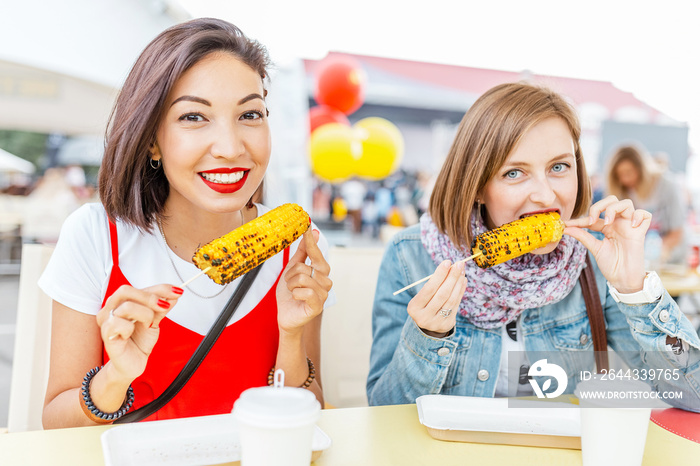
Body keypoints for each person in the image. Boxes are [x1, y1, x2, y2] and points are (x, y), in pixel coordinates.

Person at [39, 18, 334, 428]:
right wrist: (115, 377)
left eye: (250, 114)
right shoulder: (95, 236)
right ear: (152, 140)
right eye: (194, 117)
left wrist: (291, 334)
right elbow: (55, 425)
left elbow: (310, 413)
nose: (231, 148)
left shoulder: (297, 248)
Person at [366, 82, 700, 411]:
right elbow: (382, 412)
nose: (545, 195)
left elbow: (693, 395)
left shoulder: (592, 261)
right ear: (477, 186)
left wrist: (635, 289)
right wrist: (427, 336)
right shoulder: (410, 255)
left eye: (559, 167)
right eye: (514, 173)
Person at [605, 144, 687, 265]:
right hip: (640, 261)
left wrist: (655, 253)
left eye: (628, 172)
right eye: (619, 175)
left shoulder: (668, 186)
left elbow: (677, 232)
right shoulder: (622, 193)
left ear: (641, 169)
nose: (624, 179)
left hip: (671, 261)